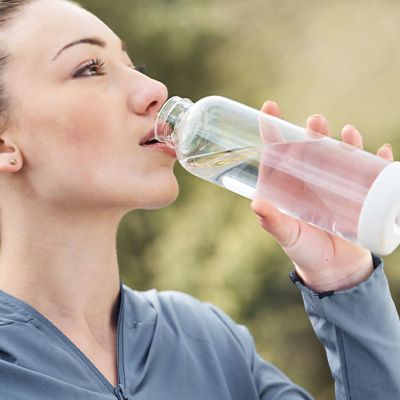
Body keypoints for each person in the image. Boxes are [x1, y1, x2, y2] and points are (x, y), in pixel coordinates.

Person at [0, 0, 399, 399]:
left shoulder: (210, 342)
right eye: (90, 68)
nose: (154, 89)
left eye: (133, 67)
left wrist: (346, 283)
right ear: (4, 145)